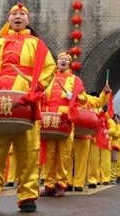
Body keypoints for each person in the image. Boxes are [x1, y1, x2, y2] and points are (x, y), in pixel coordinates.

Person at [0, 3, 56, 214]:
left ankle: (27, 194)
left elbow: (49, 68)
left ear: (28, 20)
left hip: (25, 97)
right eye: (14, 15)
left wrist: (38, 85)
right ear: (8, 20)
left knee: (28, 149)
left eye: (22, 15)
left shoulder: (37, 44)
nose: (18, 17)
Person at [39, 51, 87, 197]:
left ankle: (61, 183)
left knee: (64, 152)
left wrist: (75, 96)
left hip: (65, 116)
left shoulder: (75, 79)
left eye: (66, 59)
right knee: (50, 151)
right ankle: (49, 184)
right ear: (57, 62)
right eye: (61, 59)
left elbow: (84, 98)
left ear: (70, 63)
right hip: (49, 116)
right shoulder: (49, 77)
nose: (63, 61)